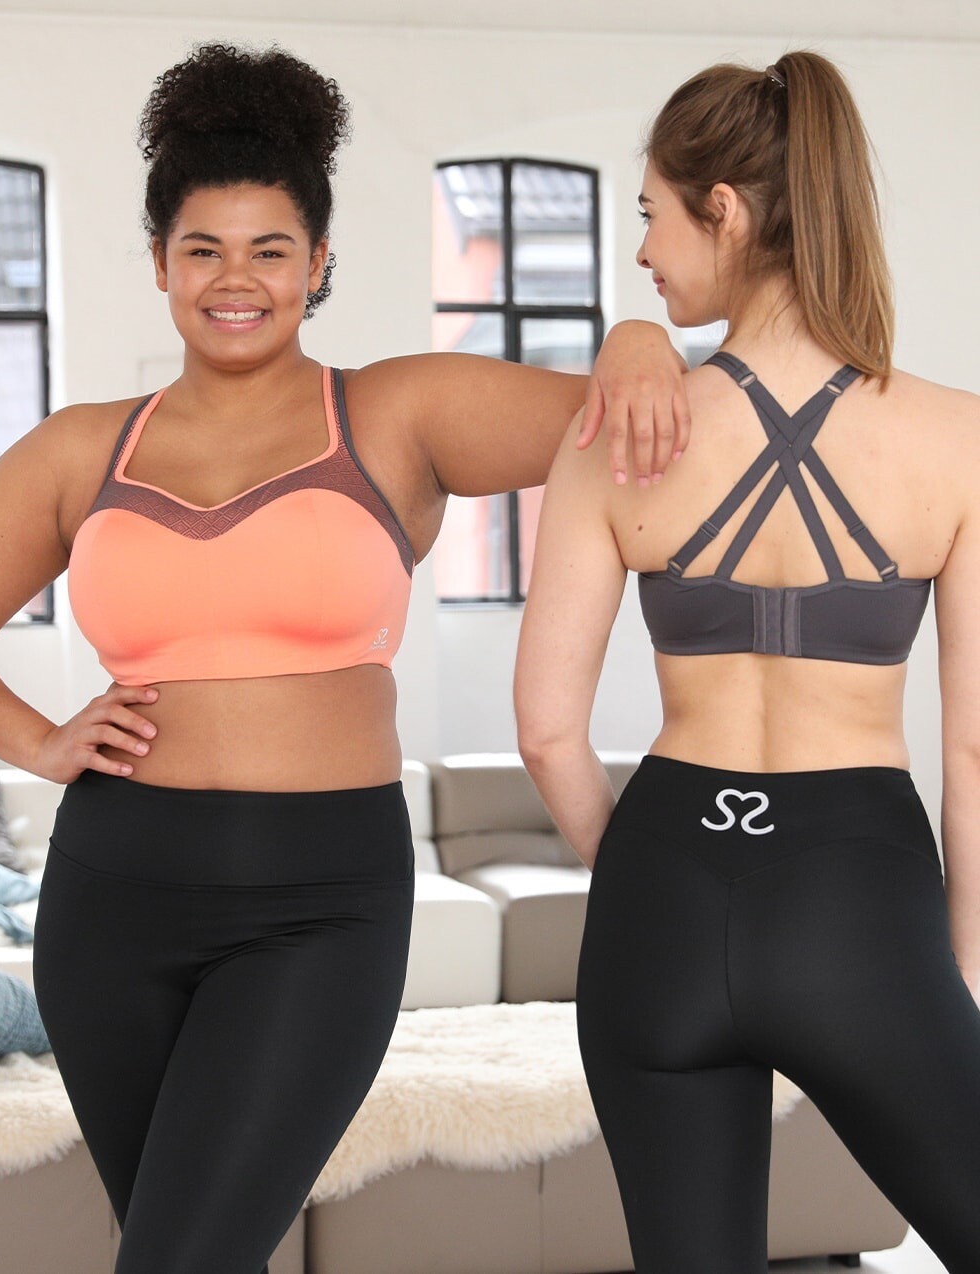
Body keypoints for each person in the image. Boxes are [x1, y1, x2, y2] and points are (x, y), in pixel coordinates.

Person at [0, 42, 688, 1274]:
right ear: (159, 262)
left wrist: (637, 336)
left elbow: (620, 422)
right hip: (110, 903)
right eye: (202, 249)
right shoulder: (79, 449)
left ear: (317, 263)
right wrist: (40, 742)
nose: (234, 279)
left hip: (318, 907)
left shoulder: (398, 412)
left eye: (270, 250)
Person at [515, 50, 980, 1274]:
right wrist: (955, 969)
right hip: (856, 893)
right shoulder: (958, 437)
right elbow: (974, 745)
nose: (641, 252)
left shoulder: (613, 437)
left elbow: (547, 734)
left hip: (663, 888)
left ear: (721, 209)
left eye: (651, 216)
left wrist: (653, 882)